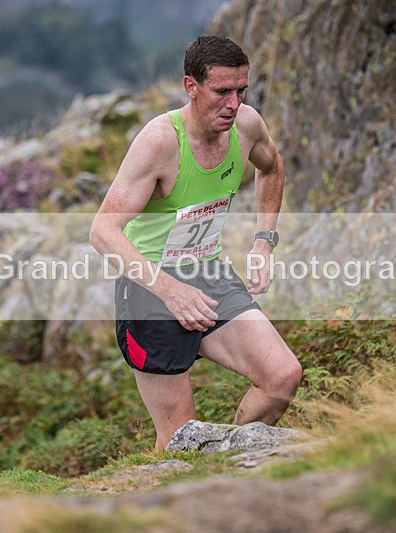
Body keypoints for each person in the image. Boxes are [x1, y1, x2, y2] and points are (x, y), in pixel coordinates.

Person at [89, 35, 302, 451]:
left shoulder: (246, 126)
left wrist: (263, 241)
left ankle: (233, 461)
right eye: (222, 91)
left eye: (242, 91)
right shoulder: (159, 143)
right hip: (151, 291)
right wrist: (171, 291)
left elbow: (272, 167)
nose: (234, 104)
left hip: (210, 274)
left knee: (282, 378)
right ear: (192, 86)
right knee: (179, 441)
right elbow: (102, 232)